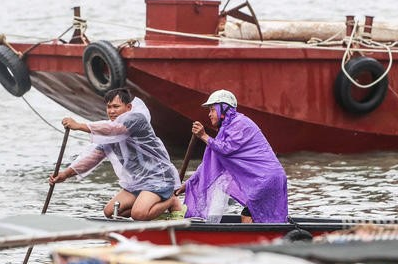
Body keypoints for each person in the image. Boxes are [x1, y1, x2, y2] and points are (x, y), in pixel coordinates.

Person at [50, 88, 183, 221]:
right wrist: (65, 174)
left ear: (128, 107)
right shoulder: (109, 131)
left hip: (158, 178)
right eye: (109, 107)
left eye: (116, 106)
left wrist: (79, 126)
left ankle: (171, 201)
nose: (111, 111)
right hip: (136, 181)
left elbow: (115, 130)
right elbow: (92, 158)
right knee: (110, 212)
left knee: (139, 214)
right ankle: (152, 211)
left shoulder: (137, 119)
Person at [177, 89, 288, 223]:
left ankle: (254, 242)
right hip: (263, 180)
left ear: (223, 109)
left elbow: (225, 149)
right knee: (256, 216)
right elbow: (207, 165)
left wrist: (203, 136)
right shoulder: (226, 130)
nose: (209, 114)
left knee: (249, 216)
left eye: (212, 110)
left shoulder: (240, 123)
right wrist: (187, 184)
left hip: (265, 179)